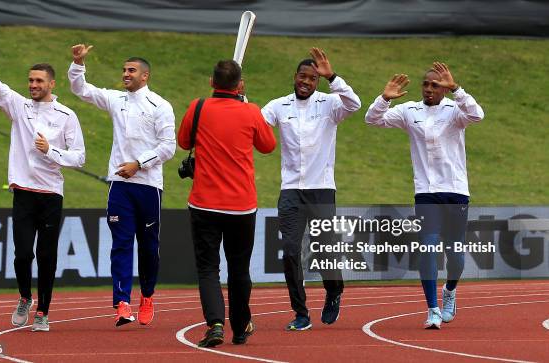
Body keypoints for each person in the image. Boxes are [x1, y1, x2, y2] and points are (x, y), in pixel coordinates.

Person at [0, 19, 86, 332]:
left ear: (52, 84)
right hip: (23, 192)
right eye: (30, 80)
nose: (33, 85)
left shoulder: (67, 116)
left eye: (38, 81)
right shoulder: (19, 106)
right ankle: (25, 297)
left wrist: (51, 150)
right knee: (23, 255)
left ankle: (44, 312)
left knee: (46, 256)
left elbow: (79, 157)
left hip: (51, 195)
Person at [364, 62, 484, 329]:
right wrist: (384, 99)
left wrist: (457, 90)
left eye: (436, 85)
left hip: (455, 191)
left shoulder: (455, 111)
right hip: (426, 193)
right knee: (427, 249)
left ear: (443, 89)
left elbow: (478, 115)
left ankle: (450, 291)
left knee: (455, 255)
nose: (429, 89)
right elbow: (372, 119)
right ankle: (432, 309)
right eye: (426, 84)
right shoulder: (409, 111)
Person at [68, 44, 175, 327]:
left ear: (145, 76)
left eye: (131, 71)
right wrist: (78, 63)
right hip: (120, 185)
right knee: (122, 243)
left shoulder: (160, 106)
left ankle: (148, 296)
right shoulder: (116, 99)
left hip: (149, 185)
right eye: (124, 70)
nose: (125, 74)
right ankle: (122, 303)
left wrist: (138, 163)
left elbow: (168, 147)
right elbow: (82, 90)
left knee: (149, 247)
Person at [262, 48, 362, 331]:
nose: (306, 81)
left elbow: (354, 104)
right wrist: (239, 102)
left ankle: (334, 289)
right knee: (291, 251)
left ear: (318, 81)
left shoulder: (330, 104)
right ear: (294, 77)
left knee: (324, 250)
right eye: (302, 76)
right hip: (291, 190)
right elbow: (256, 124)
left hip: (321, 189)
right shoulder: (279, 106)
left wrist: (333, 77)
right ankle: (301, 313)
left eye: (312, 78)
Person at [178, 60, 276, 347]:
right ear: (240, 85)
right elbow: (268, 146)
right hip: (241, 205)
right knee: (239, 268)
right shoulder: (251, 111)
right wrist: (247, 106)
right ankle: (241, 325)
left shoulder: (198, 107)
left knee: (208, 268)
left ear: (211, 82)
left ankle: (215, 323)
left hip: (204, 203)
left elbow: (184, 142)